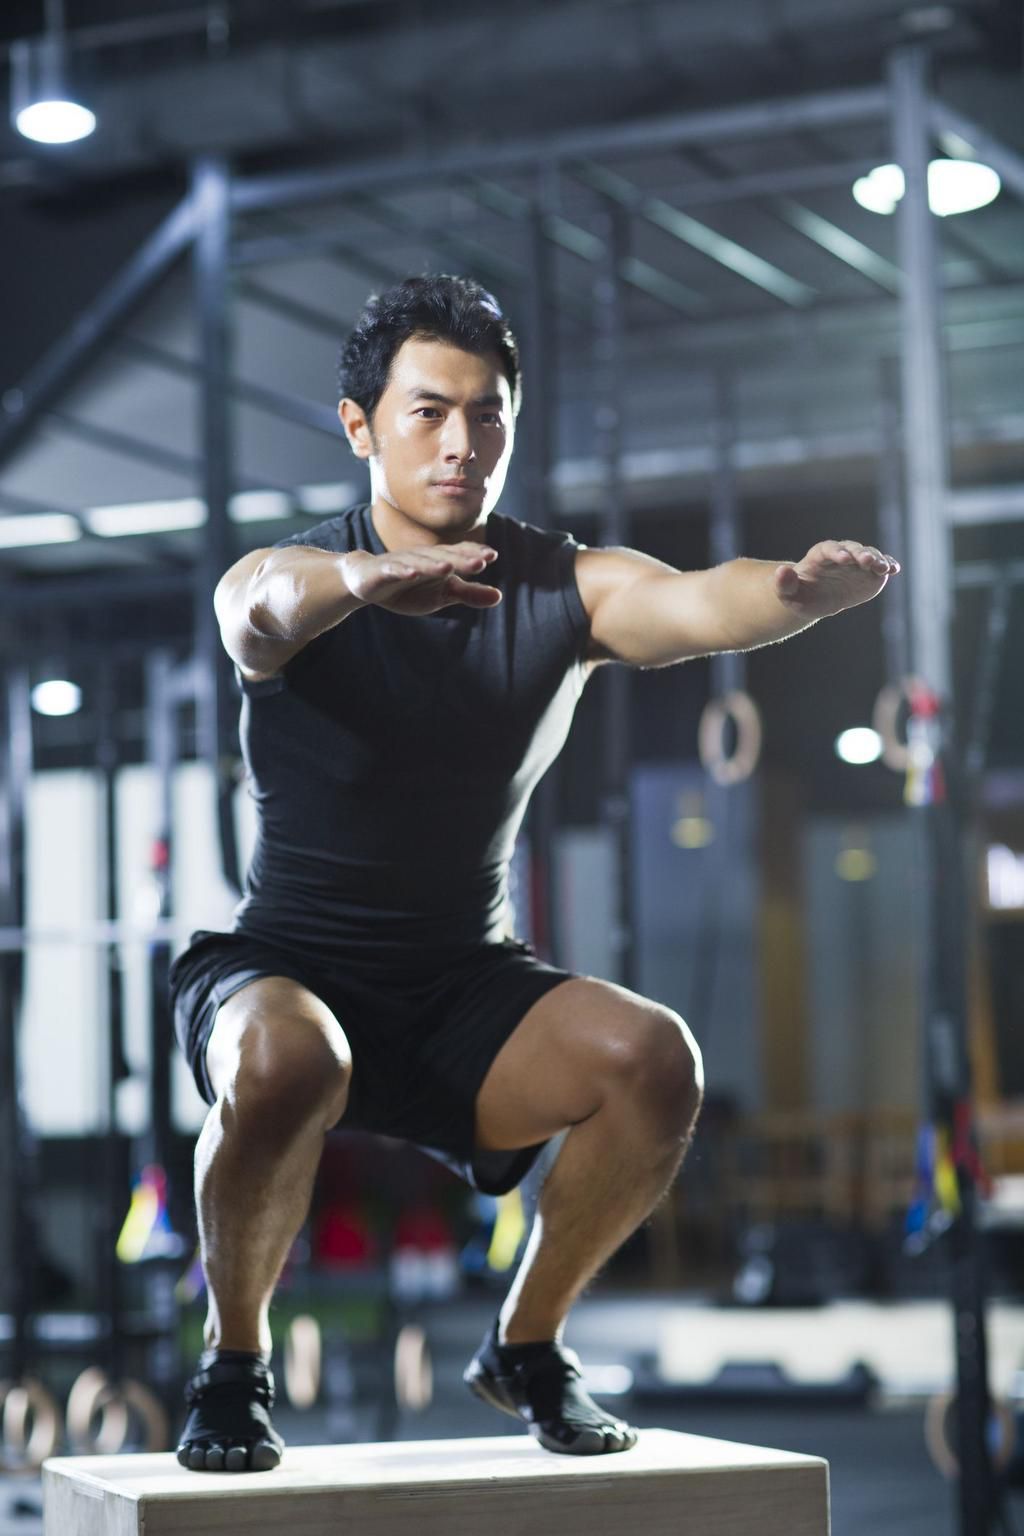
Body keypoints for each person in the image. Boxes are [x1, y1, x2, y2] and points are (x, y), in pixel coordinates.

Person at [170, 274, 901, 1473]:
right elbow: (254, 608)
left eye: (489, 413)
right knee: (285, 1057)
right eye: (427, 412)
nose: (464, 443)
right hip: (288, 971)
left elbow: (684, 603)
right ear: (360, 426)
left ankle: (525, 1344)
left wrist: (794, 597)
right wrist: (363, 584)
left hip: (465, 988)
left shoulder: (555, 582)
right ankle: (233, 1367)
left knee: (653, 1061)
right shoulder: (301, 573)